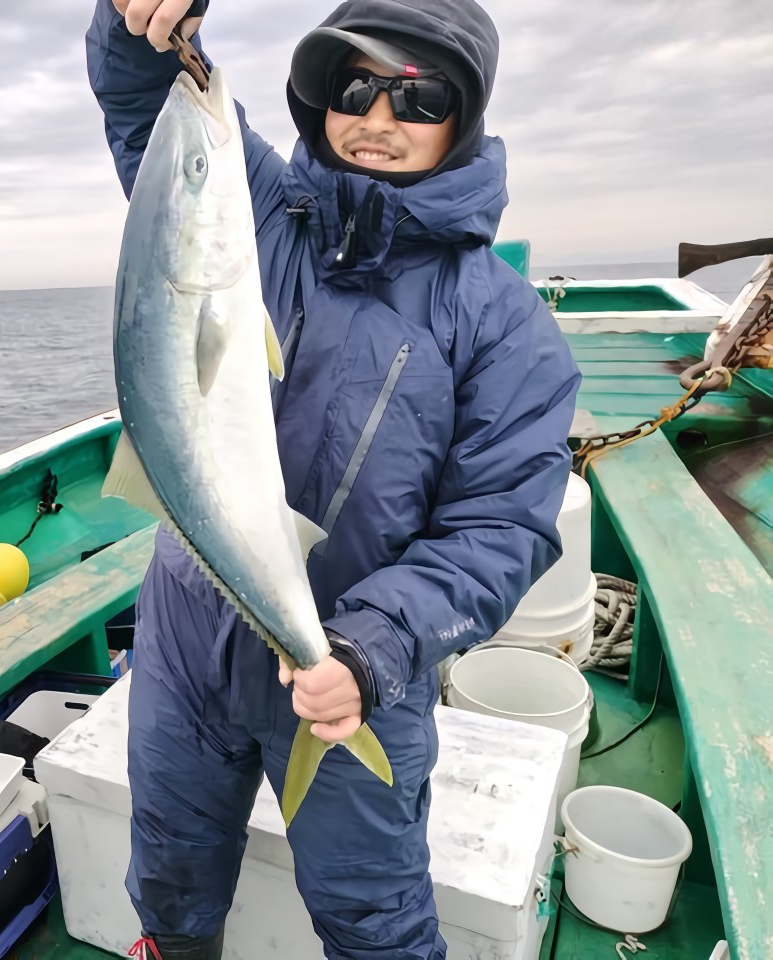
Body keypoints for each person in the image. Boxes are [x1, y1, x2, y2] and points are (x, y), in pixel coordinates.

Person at [85, 0, 582, 957]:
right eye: (354, 88)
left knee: (374, 911)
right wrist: (140, 21)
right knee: (169, 866)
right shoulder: (259, 215)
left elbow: (500, 530)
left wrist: (367, 651)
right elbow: (158, 113)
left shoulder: (506, 324)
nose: (379, 120)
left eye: (419, 96)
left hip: (355, 671)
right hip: (187, 642)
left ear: (465, 114)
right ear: (321, 101)